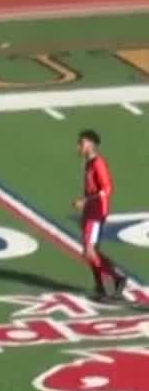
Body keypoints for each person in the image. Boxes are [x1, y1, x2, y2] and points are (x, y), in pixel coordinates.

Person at [76, 129, 127, 300]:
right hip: (90, 211)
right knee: (91, 251)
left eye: (81, 143)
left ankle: (115, 278)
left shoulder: (98, 163)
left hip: (97, 211)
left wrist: (85, 201)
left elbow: (107, 189)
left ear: (91, 145)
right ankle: (101, 285)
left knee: (90, 251)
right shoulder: (89, 163)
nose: (78, 147)